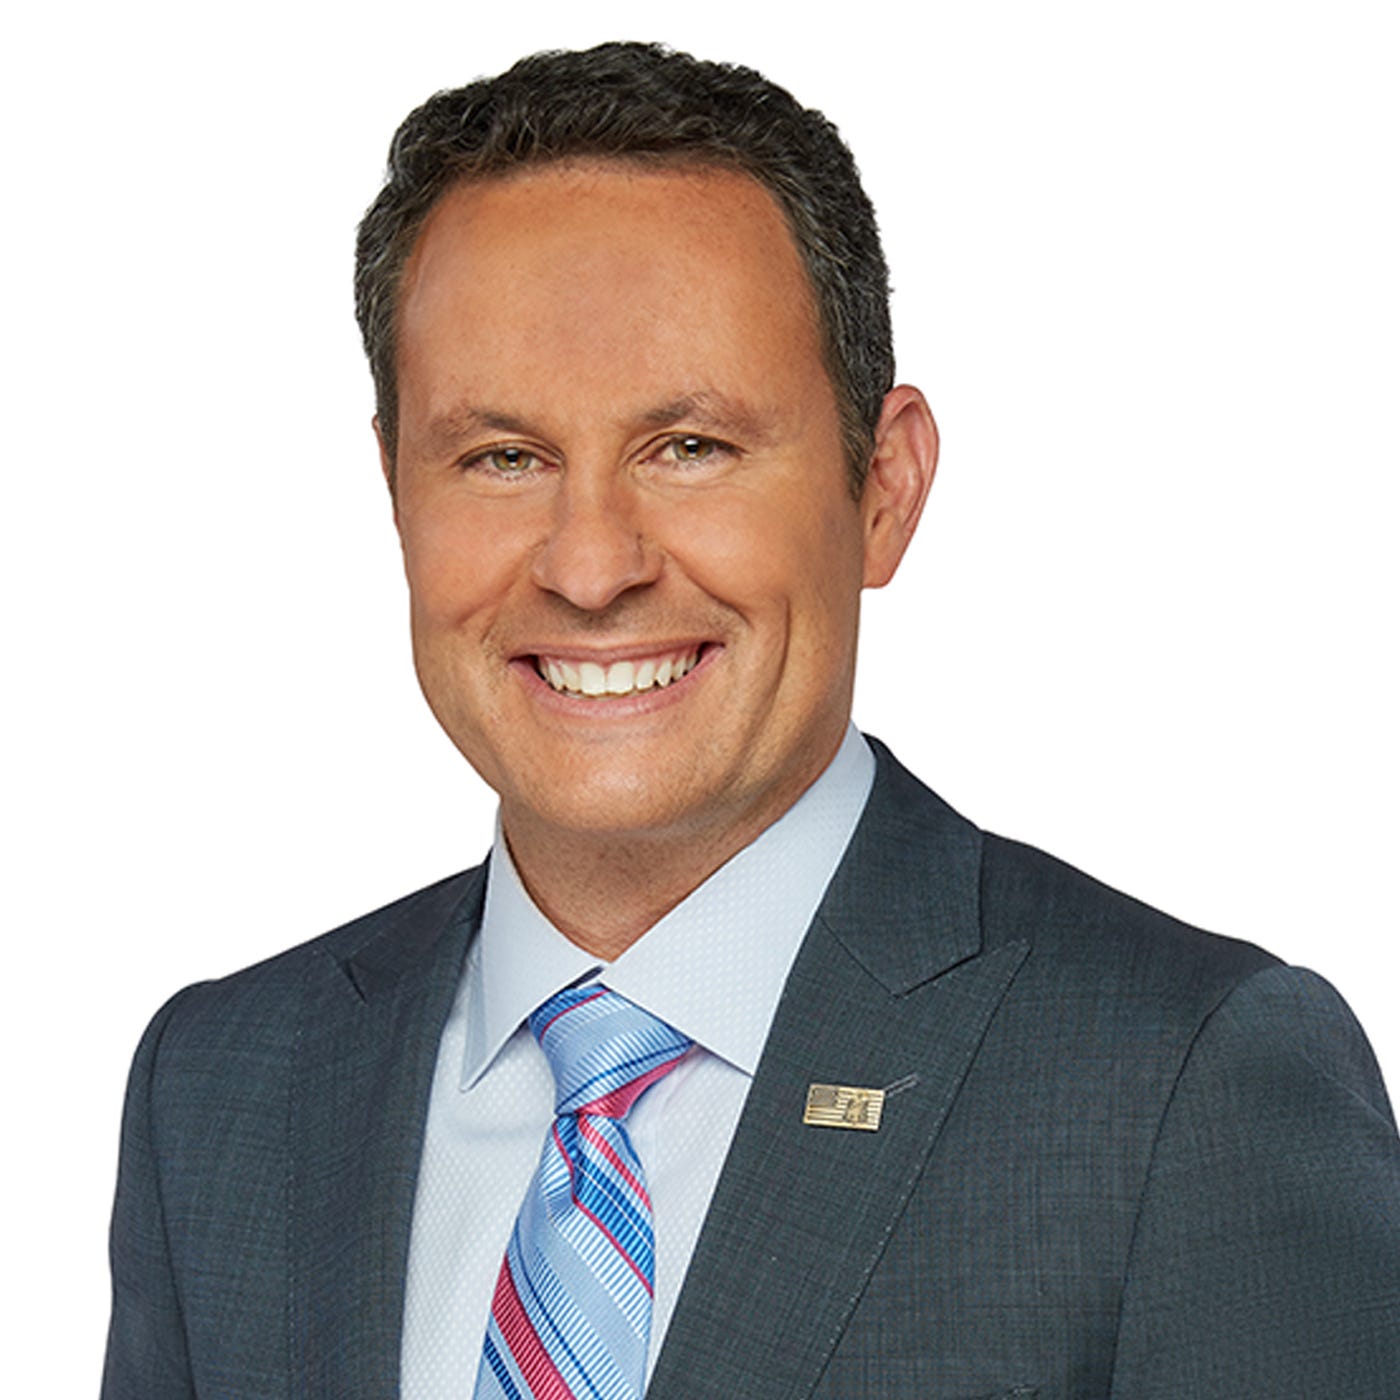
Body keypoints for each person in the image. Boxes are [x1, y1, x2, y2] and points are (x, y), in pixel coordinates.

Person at [101, 42, 1400, 1400]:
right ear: (393, 490)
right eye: (503, 457)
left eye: (690, 447)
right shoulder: (224, 1091)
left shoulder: (1184, 1083)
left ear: (884, 486)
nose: (590, 567)